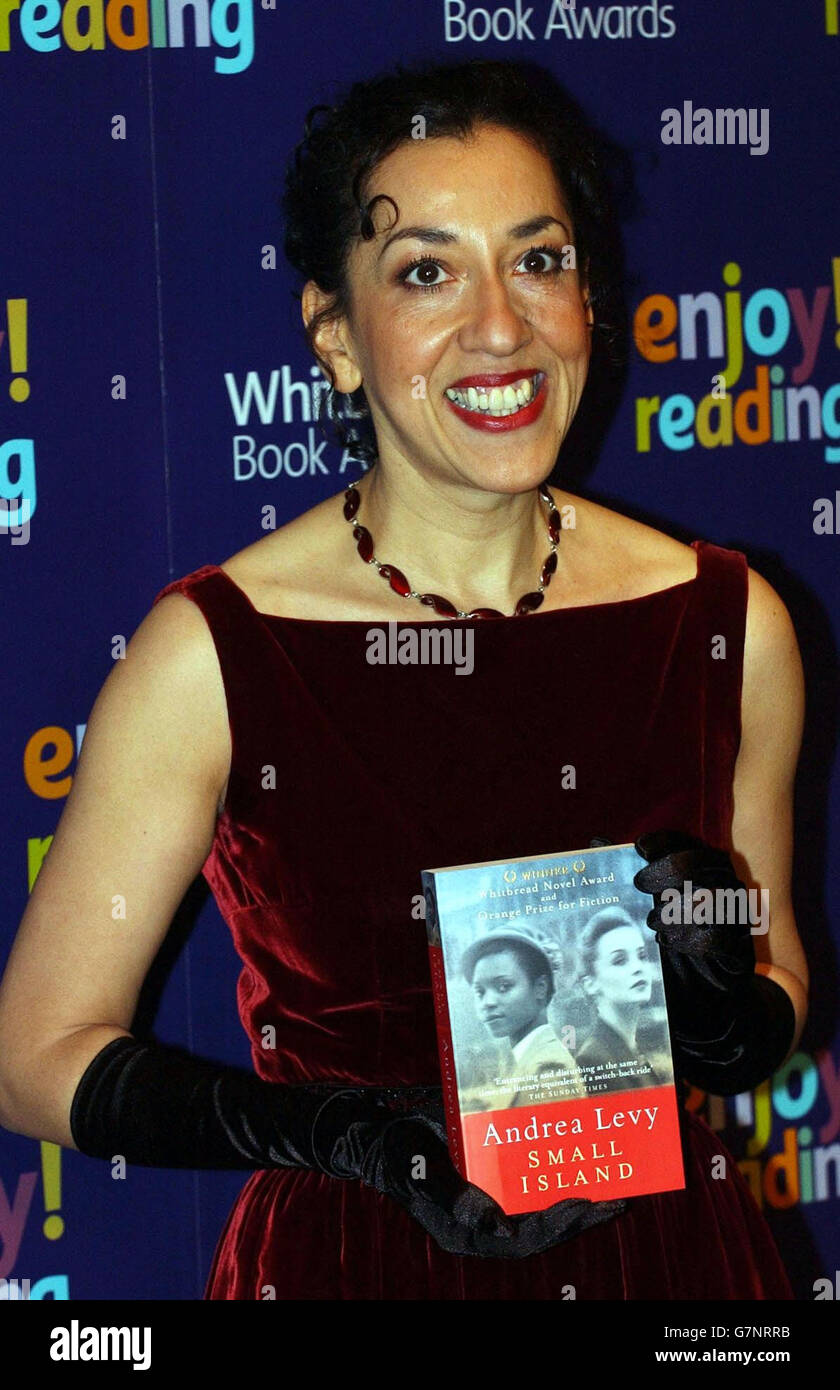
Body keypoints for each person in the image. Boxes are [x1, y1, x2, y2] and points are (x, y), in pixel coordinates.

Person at [0, 57, 809, 1300]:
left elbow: (780, 979)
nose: (501, 324)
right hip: (349, 1265)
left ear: (590, 296)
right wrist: (336, 1134)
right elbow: (33, 1055)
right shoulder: (217, 652)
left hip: (678, 1274)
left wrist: (728, 1001)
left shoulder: (722, 624)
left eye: (538, 259)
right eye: (427, 271)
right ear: (334, 334)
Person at [460, 929, 587, 1108]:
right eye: (480, 992)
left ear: (540, 988)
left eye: (504, 986)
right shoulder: (525, 1058)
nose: (487, 1002)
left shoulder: (549, 1067)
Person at [575, 907, 665, 1092]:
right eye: (620, 960)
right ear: (590, 984)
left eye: (641, 956)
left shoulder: (634, 1051)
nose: (637, 967)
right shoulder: (592, 1059)